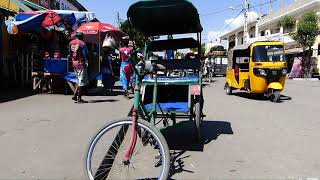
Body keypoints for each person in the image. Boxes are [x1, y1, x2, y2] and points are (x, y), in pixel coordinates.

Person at [69, 31, 89, 103]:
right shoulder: (82, 43)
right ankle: (79, 99)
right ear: (81, 36)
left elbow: (70, 53)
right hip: (81, 64)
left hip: (74, 63)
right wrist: (87, 60)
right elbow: (85, 54)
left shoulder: (70, 43)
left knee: (78, 80)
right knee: (81, 82)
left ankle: (75, 95)